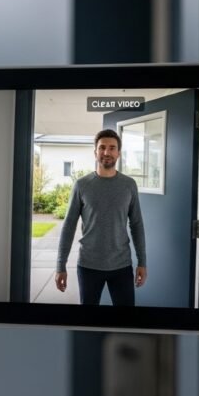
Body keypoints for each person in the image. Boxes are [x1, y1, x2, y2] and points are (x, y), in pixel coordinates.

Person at [55, 129, 147, 306]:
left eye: (112, 148)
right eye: (102, 147)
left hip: (121, 265)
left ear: (118, 153)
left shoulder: (129, 185)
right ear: (95, 152)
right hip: (88, 265)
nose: (106, 152)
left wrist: (142, 262)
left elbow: (137, 224)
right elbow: (68, 226)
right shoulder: (81, 185)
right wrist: (60, 265)